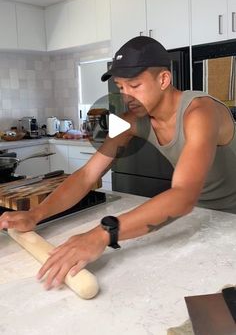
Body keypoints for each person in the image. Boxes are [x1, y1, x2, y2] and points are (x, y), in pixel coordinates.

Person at [1, 36, 236, 290]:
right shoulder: (131, 120)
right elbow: (87, 175)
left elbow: (183, 196)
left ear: (164, 80)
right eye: (121, 87)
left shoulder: (201, 112)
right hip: (196, 216)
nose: (127, 96)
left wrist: (103, 234)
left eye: (134, 85)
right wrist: (36, 215)